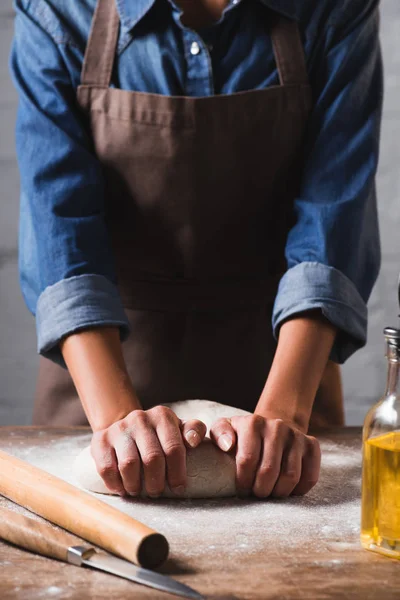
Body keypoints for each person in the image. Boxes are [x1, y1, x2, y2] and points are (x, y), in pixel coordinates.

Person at [10, 0, 382, 499]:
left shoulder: (334, 9)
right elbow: (59, 224)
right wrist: (119, 423)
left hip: (286, 374)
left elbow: (332, 217)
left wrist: (283, 414)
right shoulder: (59, 8)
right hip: (97, 384)